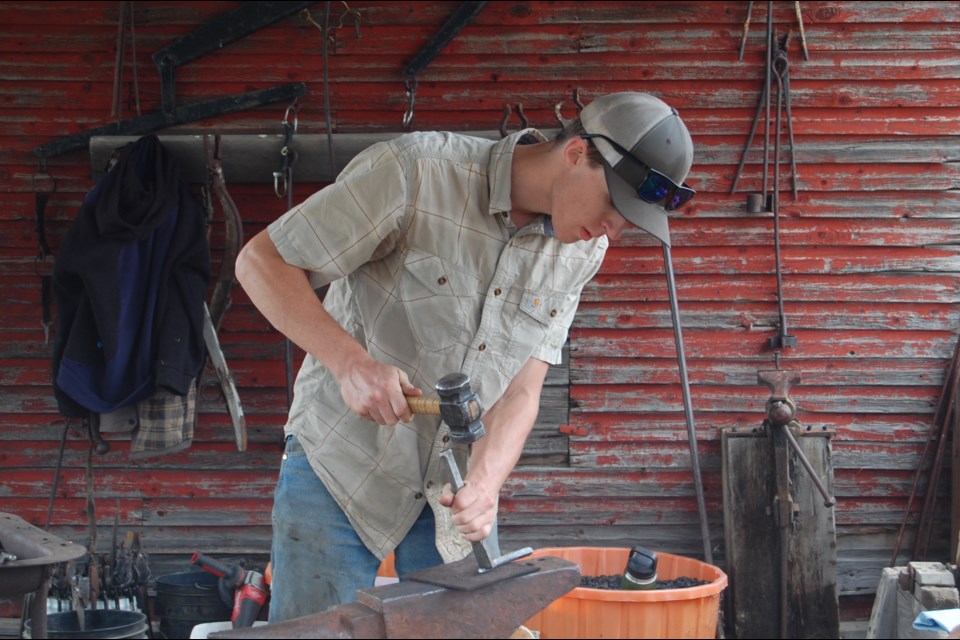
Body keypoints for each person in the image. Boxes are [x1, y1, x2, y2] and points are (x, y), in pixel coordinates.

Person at [235, 91, 695, 621]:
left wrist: (487, 483)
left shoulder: (582, 250)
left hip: (453, 494)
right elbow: (262, 262)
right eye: (614, 205)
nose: (614, 229)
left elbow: (523, 388)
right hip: (343, 466)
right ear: (575, 154)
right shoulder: (415, 173)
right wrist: (350, 364)